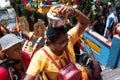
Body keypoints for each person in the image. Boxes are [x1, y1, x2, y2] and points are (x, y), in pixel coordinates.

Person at [24, 5, 89, 80]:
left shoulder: (69, 40)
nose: (66, 44)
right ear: (50, 42)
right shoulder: (41, 56)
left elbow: (85, 22)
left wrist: (73, 11)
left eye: (66, 40)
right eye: (61, 43)